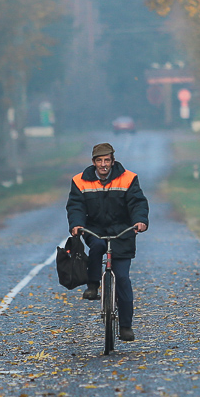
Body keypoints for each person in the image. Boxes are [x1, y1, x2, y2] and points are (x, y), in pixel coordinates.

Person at [66, 142, 150, 341]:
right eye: (99, 161)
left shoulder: (129, 178)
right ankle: (93, 284)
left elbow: (137, 202)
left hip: (122, 230)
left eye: (107, 160)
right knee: (97, 246)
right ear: (93, 162)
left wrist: (140, 221)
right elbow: (75, 205)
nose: (103, 164)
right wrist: (77, 225)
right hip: (94, 228)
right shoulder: (80, 181)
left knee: (122, 278)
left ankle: (126, 326)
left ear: (113, 161)